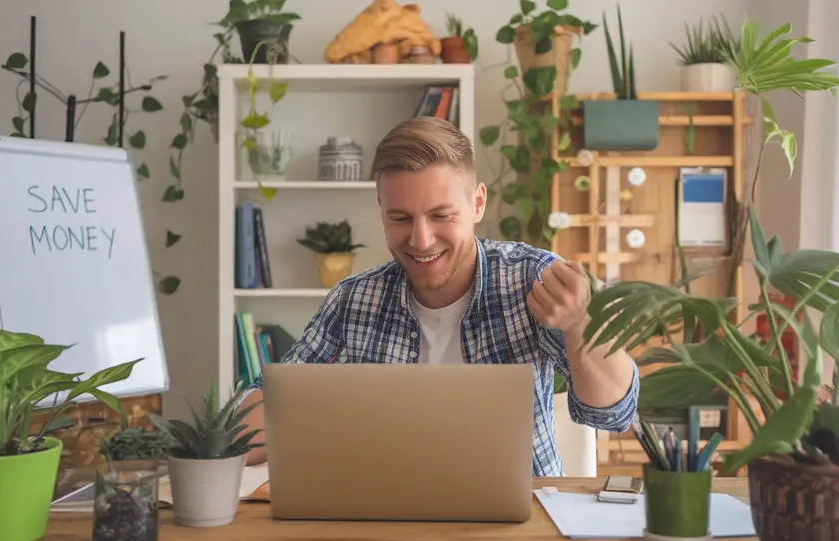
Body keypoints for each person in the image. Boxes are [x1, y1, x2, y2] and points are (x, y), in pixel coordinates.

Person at [240, 116, 638, 476]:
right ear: (380, 208)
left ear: (477, 203)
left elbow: (613, 413)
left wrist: (580, 323)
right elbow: (276, 399)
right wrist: (211, 445)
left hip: (521, 528)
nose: (420, 240)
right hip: (387, 525)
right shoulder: (352, 300)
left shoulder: (531, 279)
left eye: (441, 215)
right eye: (400, 218)